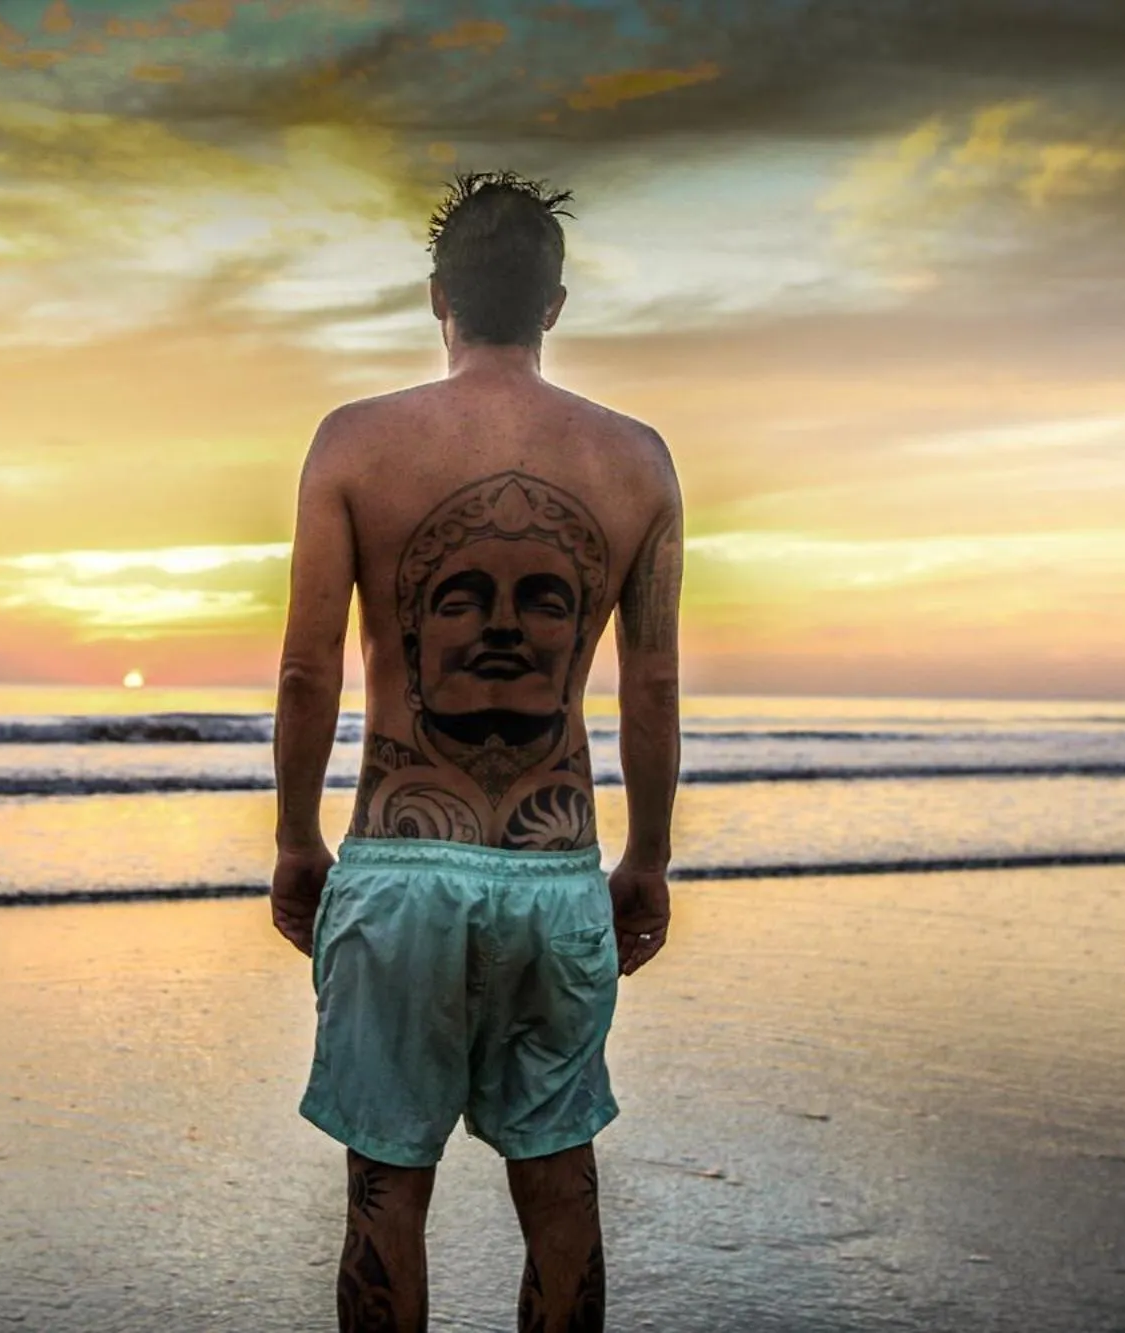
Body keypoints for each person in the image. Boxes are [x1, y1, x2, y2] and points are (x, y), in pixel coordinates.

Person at [270, 170, 684, 1333]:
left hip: (399, 861)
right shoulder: (637, 461)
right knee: (557, 1183)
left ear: (436, 297)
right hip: (553, 867)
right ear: (552, 303)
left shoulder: (355, 443)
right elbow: (649, 683)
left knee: (384, 1191)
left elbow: (306, 671)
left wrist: (297, 837)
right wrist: (646, 857)